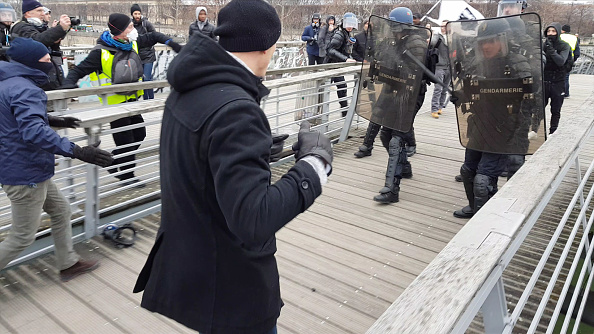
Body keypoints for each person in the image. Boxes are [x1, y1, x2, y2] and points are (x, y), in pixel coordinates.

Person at [132, 0, 333, 333]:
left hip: (192, 269)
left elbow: (196, 158)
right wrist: (315, 166)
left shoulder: (190, 86)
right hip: (231, 289)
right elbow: (253, 221)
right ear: (268, 46)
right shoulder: (237, 110)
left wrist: (255, 154)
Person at [0, 38, 114, 280]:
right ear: (31, 62)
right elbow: (32, 132)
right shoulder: (26, 88)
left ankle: (68, 263)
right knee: (22, 236)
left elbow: (12, 119)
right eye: (45, 59)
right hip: (25, 172)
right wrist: (79, 151)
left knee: (61, 210)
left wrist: (53, 120)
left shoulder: (8, 82)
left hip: (23, 165)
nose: (51, 62)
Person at [61, 13, 182, 187]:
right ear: (119, 31)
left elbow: (154, 36)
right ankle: (127, 176)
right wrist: (67, 85)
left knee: (140, 134)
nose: (134, 29)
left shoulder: (132, 43)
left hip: (133, 101)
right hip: (115, 105)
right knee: (126, 141)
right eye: (130, 27)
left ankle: (113, 161)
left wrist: (173, 44)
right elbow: (78, 71)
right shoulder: (100, 52)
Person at [452, 19, 532, 218]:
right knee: (468, 171)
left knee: (483, 180)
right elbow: (470, 90)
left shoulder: (517, 63)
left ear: (504, 40)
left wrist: (516, 130)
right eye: (483, 42)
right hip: (479, 124)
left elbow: (530, 100)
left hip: (504, 129)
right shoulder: (476, 63)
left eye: (492, 41)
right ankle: (476, 208)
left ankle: (484, 221)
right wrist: (460, 95)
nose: (486, 46)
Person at [11, 0, 70, 91]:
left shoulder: (39, 27)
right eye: (39, 11)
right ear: (27, 13)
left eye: (43, 11)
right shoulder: (21, 27)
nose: (43, 14)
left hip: (46, 76)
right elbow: (37, 42)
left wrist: (56, 40)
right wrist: (59, 29)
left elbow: (47, 46)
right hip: (34, 79)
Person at [325, 12, 358, 117]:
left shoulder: (345, 33)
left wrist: (349, 57)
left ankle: (344, 111)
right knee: (325, 89)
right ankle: (321, 113)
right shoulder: (339, 33)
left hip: (336, 65)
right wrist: (345, 59)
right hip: (330, 65)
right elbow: (330, 50)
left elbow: (344, 50)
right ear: (344, 23)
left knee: (342, 87)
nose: (350, 26)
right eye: (348, 24)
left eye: (352, 24)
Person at [543, 22, 570, 135]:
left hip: (558, 80)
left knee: (555, 109)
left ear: (558, 32)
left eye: (553, 31)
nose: (551, 33)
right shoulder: (544, 44)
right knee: (538, 109)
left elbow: (561, 61)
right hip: (544, 80)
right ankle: (535, 130)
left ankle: (553, 132)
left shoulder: (564, 45)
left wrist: (552, 52)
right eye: (549, 31)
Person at [131, 4, 157, 100]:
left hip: (148, 55)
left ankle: (150, 99)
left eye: (139, 13)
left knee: (147, 78)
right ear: (132, 14)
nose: (137, 16)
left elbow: (154, 36)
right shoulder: (130, 25)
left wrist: (145, 42)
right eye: (135, 13)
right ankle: (146, 99)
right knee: (141, 79)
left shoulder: (146, 24)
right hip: (137, 56)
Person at [430, 20, 450, 119]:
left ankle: (440, 107)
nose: (443, 28)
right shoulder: (438, 36)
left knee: (445, 88)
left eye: (445, 26)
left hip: (449, 67)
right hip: (439, 66)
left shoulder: (452, 37)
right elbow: (432, 42)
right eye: (441, 26)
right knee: (438, 88)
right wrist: (433, 34)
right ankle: (434, 109)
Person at [560, 24, 580, 98]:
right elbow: (577, 52)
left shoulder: (560, 36)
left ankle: (560, 91)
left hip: (560, 58)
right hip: (569, 59)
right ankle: (566, 93)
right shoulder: (574, 38)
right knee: (566, 77)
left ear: (563, 30)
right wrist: (573, 59)